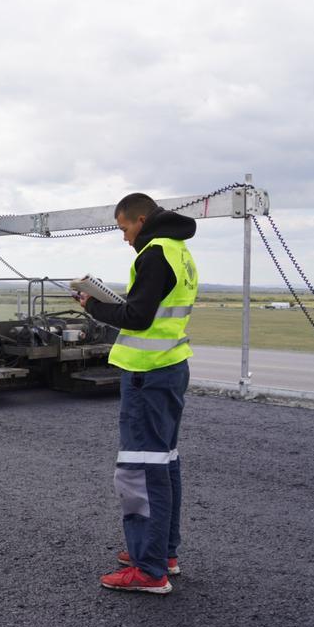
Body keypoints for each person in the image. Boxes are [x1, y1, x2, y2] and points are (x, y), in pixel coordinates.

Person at [76, 193, 198, 595]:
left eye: (125, 229)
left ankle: (149, 569)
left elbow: (137, 317)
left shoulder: (155, 253)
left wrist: (93, 306)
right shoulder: (179, 252)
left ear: (141, 220)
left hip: (148, 375)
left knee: (141, 468)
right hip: (169, 368)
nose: (125, 238)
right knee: (164, 464)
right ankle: (163, 552)